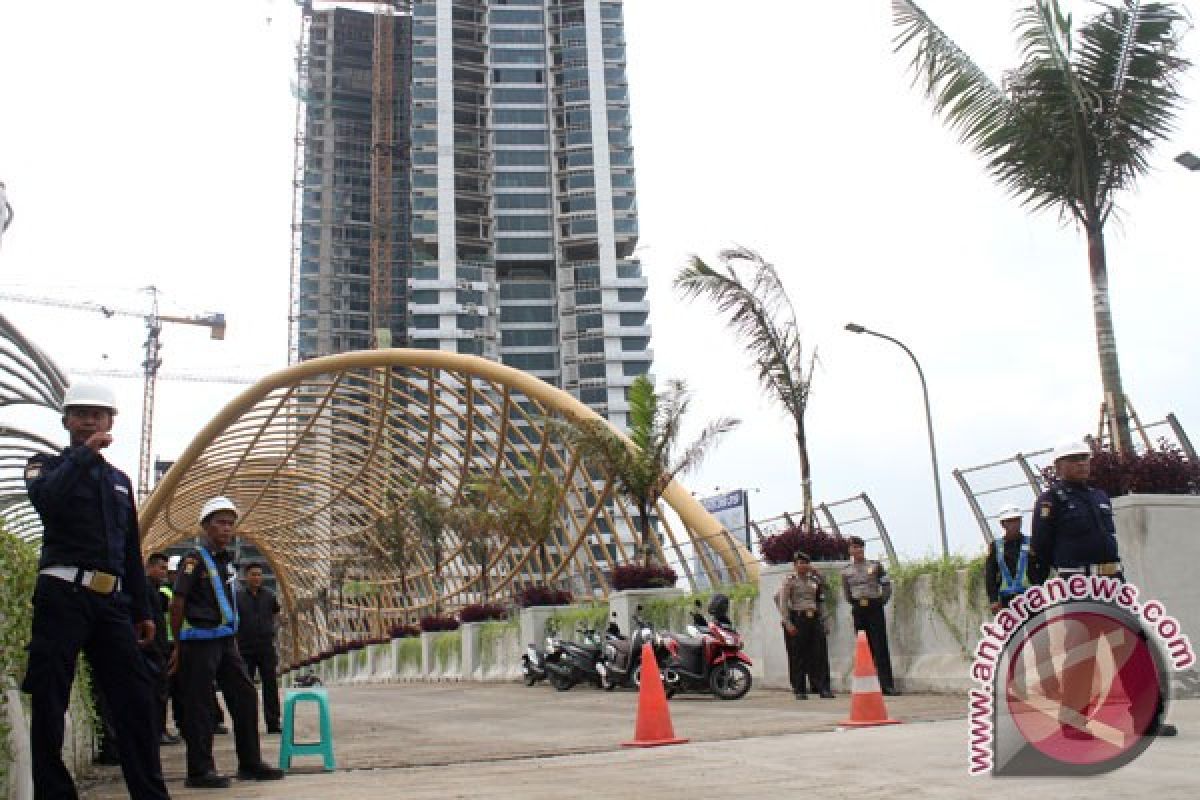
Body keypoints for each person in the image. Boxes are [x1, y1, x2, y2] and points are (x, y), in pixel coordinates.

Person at [22, 382, 171, 799]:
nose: (90, 419)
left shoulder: (120, 482)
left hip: (109, 603)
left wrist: (141, 610)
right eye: (81, 413)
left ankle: (150, 792)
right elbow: (47, 502)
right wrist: (84, 454)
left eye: (99, 414)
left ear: (110, 421)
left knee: (136, 697)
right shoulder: (46, 466)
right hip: (61, 595)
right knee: (51, 699)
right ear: (66, 420)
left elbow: (128, 550)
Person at [1031, 440, 1177, 738]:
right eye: (1073, 459)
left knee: (1134, 650)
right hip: (1079, 585)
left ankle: (1146, 719)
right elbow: (1041, 548)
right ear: (1058, 467)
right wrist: (1038, 586)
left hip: (1112, 583)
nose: (1082, 463)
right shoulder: (1051, 501)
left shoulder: (1099, 496)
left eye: (1085, 458)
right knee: (1082, 654)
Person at [169, 496, 284, 788]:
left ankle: (250, 762)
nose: (226, 529)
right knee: (199, 703)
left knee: (245, 696)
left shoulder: (225, 562)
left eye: (230, 524)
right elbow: (178, 600)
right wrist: (177, 645)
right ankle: (199, 770)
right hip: (199, 640)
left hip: (224, 639)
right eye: (220, 523)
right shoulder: (193, 560)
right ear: (206, 526)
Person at [841, 536, 900, 695]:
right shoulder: (846, 570)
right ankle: (868, 685)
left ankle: (887, 685)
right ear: (850, 550)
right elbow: (846, 593)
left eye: (859, 547)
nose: (857, 550)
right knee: (864, 647)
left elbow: (886, 584)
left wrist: (882, 600)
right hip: (859, 608)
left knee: (880, 645)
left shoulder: (875, 566)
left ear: (863, 548)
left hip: (874, 606)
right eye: (854, 547)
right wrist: (855, 603)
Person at [775, 551, 833, 699]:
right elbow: (782, 601)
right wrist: (787, 622)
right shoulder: (790, 580)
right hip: (798, 618)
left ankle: (823, 688)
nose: (804, 565)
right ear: (795, 565)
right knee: (798, 656)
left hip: (814, 618)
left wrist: (825, 621)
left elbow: (825, 591)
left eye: (806, 563)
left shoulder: (814, 580)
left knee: (820, 654)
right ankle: (800, 689)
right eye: (800, 563)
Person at [237, 562, 283, 734]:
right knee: (246, 687)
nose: (256, 578)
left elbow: (276, 614)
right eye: (253, 574)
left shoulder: (269, 596)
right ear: (245, 576)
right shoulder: (238, 597)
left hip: (265, 647)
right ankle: (248, 724)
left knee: (270, 685)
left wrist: (272, 630)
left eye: (259, 574)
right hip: (245, 647)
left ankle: (273, 722)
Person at [145, 552, 180, 745]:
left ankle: (159, 730)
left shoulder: (157, 590)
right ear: (150, 567)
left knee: (162, 692)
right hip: (153, 648)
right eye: (161, 568)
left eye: (166, 569)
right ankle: (156, 732)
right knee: (157, 692)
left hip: (162, 646)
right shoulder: (149, 590)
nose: (164, 573)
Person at [985, 505, 1048, 612]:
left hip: (1032, 598)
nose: (1014, 524)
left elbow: (1044, 566)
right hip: (1006, 600)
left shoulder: (1032, 543)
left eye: (1017, 520)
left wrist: (1038, 584)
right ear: (1003, 524)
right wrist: (993, 599)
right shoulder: (995, 546)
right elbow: (990, 575)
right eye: (1010, 521)